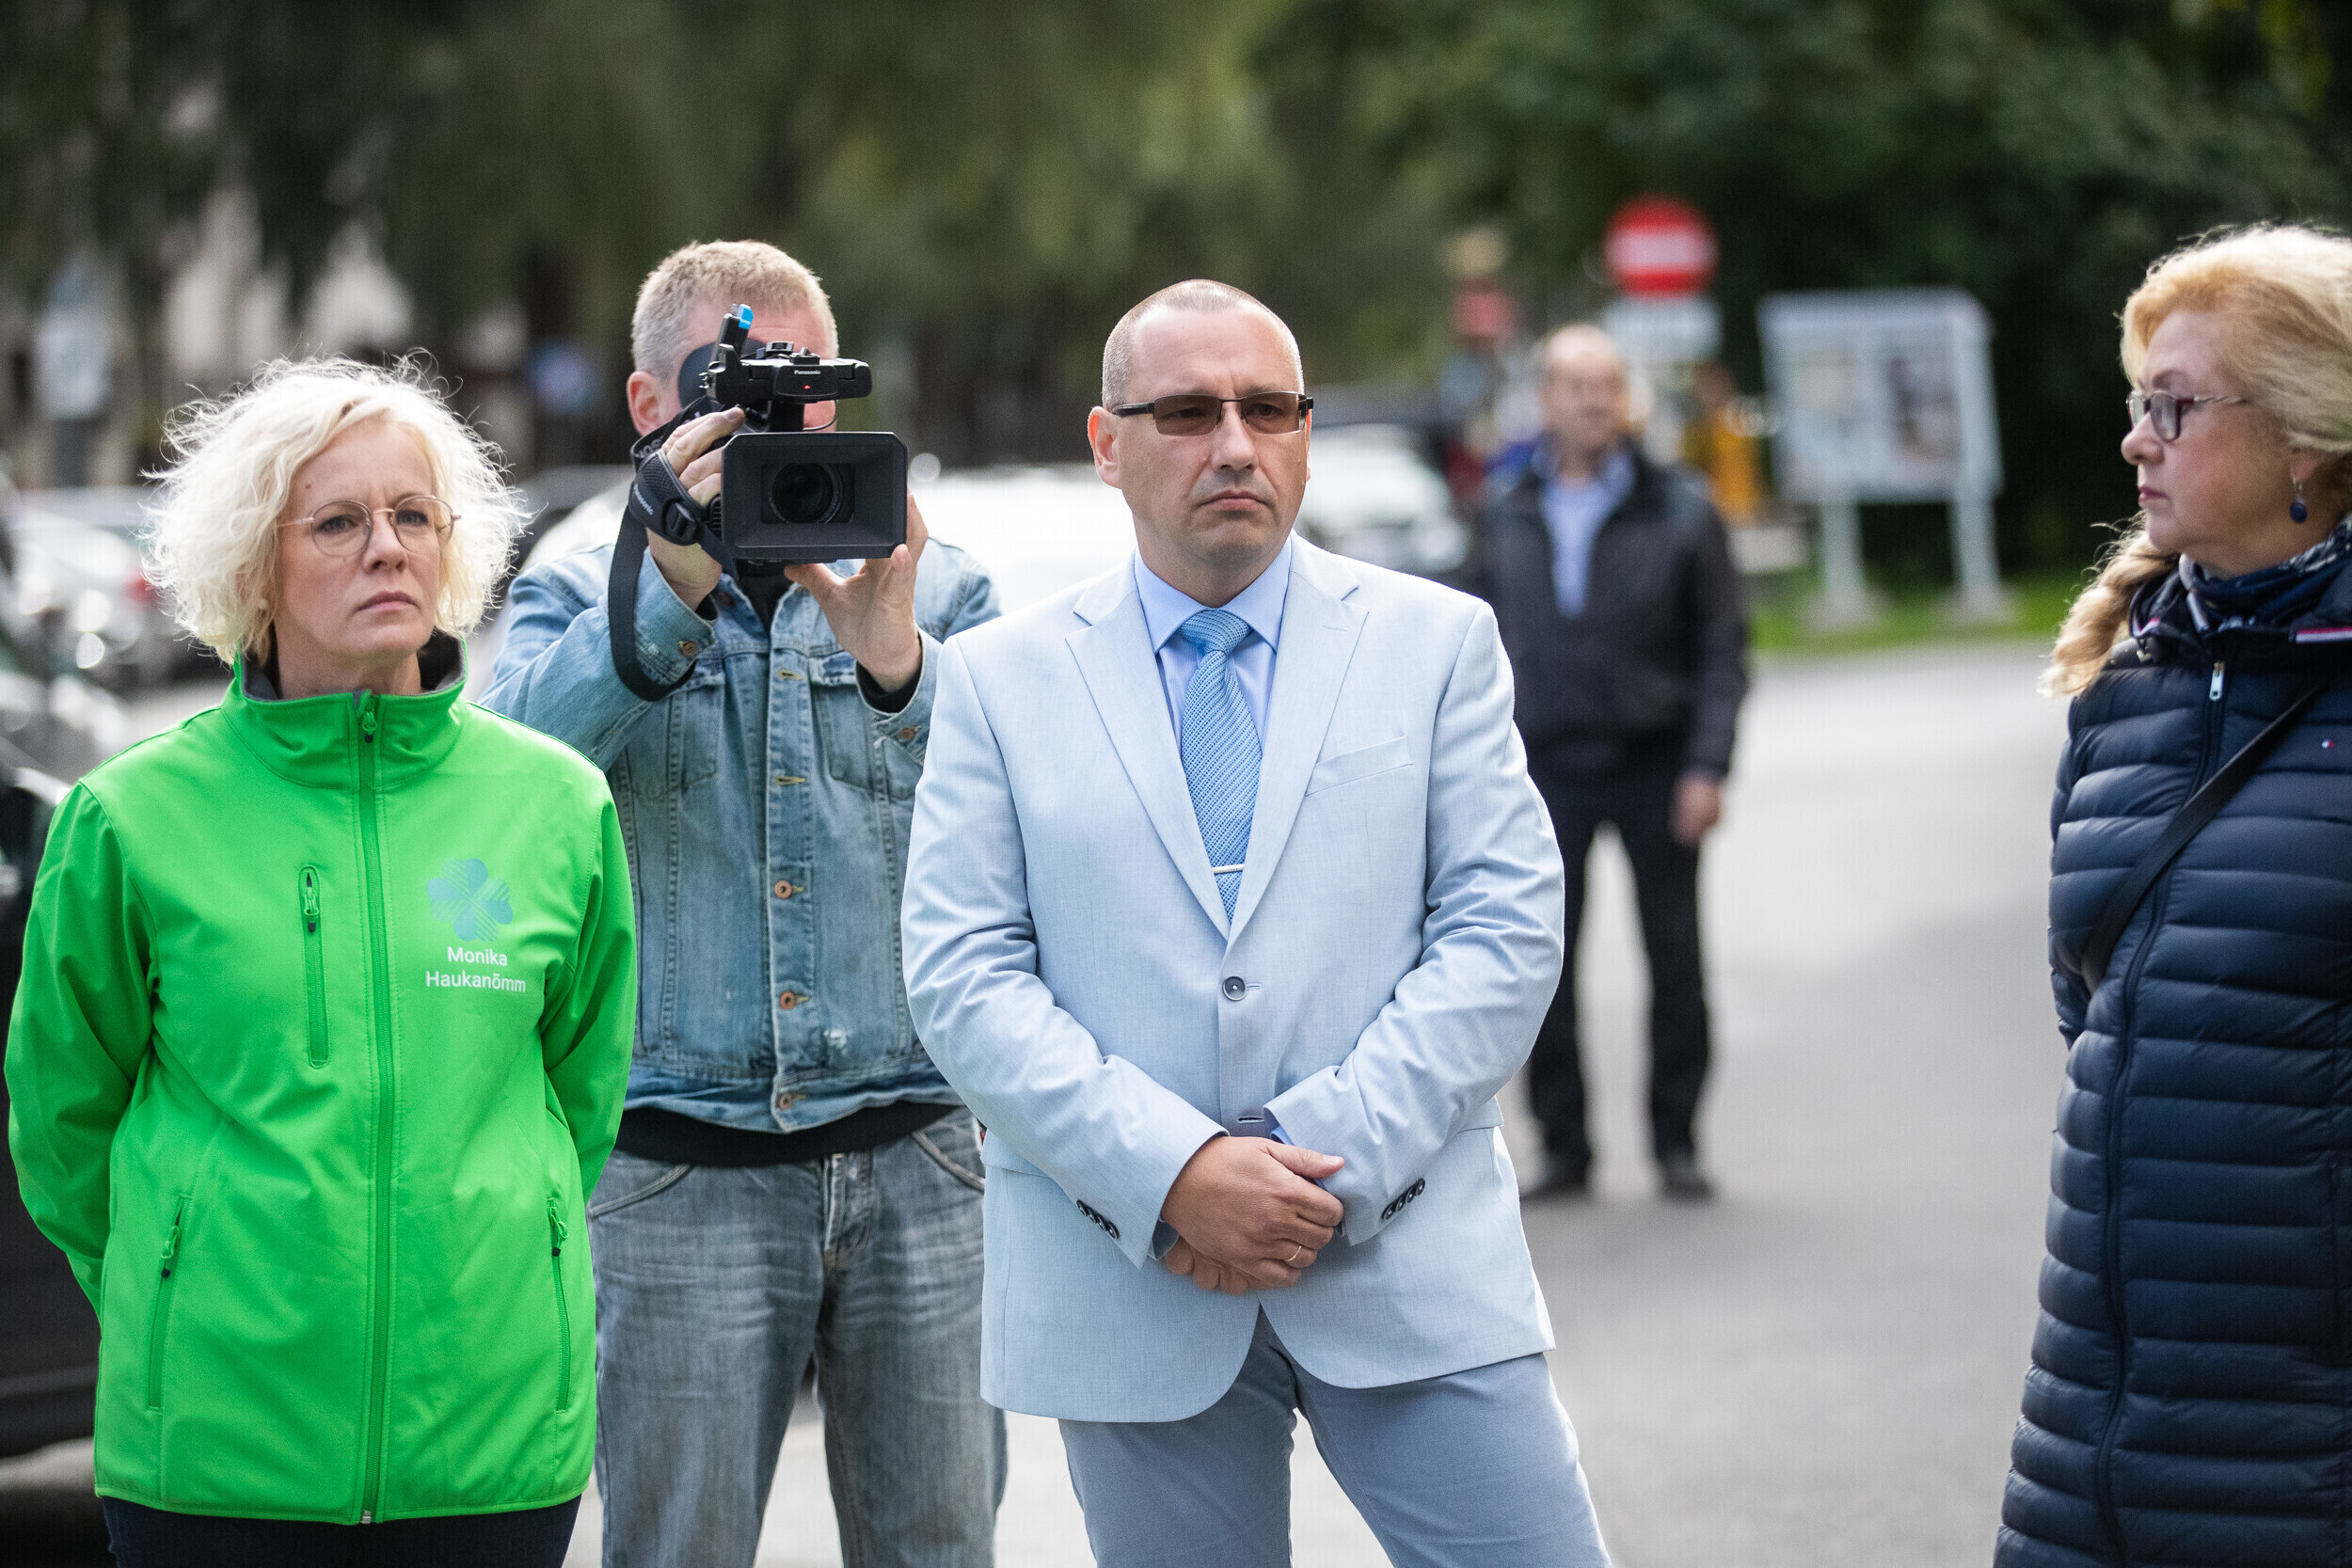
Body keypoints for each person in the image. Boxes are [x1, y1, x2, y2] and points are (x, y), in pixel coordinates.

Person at [901, 278, 1611, 1568]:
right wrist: (1175, 1173)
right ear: (1106, 443)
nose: (1235, 443)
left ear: (1304, 432)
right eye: (1188, 412)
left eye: (1269, 408)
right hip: (1133, 1273)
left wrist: (1304, 1159)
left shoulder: (1436, 642)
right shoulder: (998, 681)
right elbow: (963, 975)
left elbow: (1503, 927)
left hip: (1405, 1248)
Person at [5, 358, 636, 1566]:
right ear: (255, 566)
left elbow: (579, 1096)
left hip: (492, 1447)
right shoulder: (131, 818)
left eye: (413, 515)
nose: (386, 547)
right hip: (216, 1455)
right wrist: (181, 1277)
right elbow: (61, 1121)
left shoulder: (557, 805)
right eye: (338, 521)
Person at [482, 240, 1004, 1568]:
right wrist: (669, 585)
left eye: (802, 390)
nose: (778, 424)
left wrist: (900, 668)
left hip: (921, 1148)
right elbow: (509, 789)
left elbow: (1027, 826)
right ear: (647, 405)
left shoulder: (936, 582)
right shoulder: (576, 583)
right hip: (678, 1165)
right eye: (735, 391)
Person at [1998, 225, 2352, 1568]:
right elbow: (2093, 1009)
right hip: (2090, 1414)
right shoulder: (2127, 687)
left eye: (2175, 406)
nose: (2135, 441)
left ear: (2307, 437)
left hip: (2308, 1438)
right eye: (2138, 403)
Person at [1477, 325, 1748, 1202]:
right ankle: (1565, 1148)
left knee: (1675, 960)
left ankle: (1676, 1142)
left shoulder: (1683, 508)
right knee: (1541, 963)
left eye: (1606, 385)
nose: (1592, 400)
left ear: (1625, 398)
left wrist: (1707, 766)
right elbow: (1469, 643)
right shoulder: (1504, 508)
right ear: (1544, 398)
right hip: (1541, 767)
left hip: (1655, 763)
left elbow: (1723, 647)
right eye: (1574, 384)